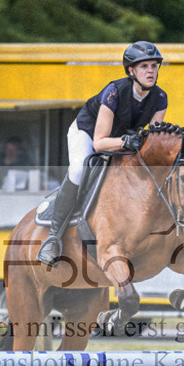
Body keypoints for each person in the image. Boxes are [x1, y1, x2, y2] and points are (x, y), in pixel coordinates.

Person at [36, 41, 168, 266]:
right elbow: (99, 144)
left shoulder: (160, 98)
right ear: (131, 71)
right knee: (80, 169)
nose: (150, 71)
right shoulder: (114, 92)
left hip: (123, 141)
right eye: (144, 66)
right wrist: (125, 141)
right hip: (88, 133)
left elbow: (152, 141)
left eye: (154, 66)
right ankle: (53, 238)